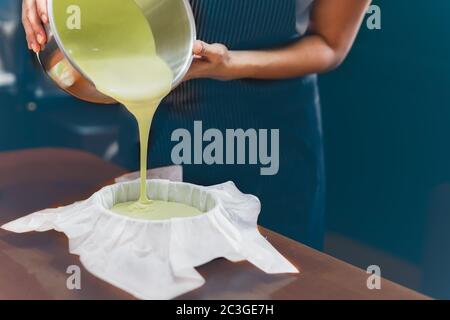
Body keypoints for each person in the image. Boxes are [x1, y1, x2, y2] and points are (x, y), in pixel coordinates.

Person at [22, 0, 370, 249]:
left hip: (270, 135)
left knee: (262, 283)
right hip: (159, 114)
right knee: (142, 258)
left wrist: (231, 63)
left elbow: (330, 44)